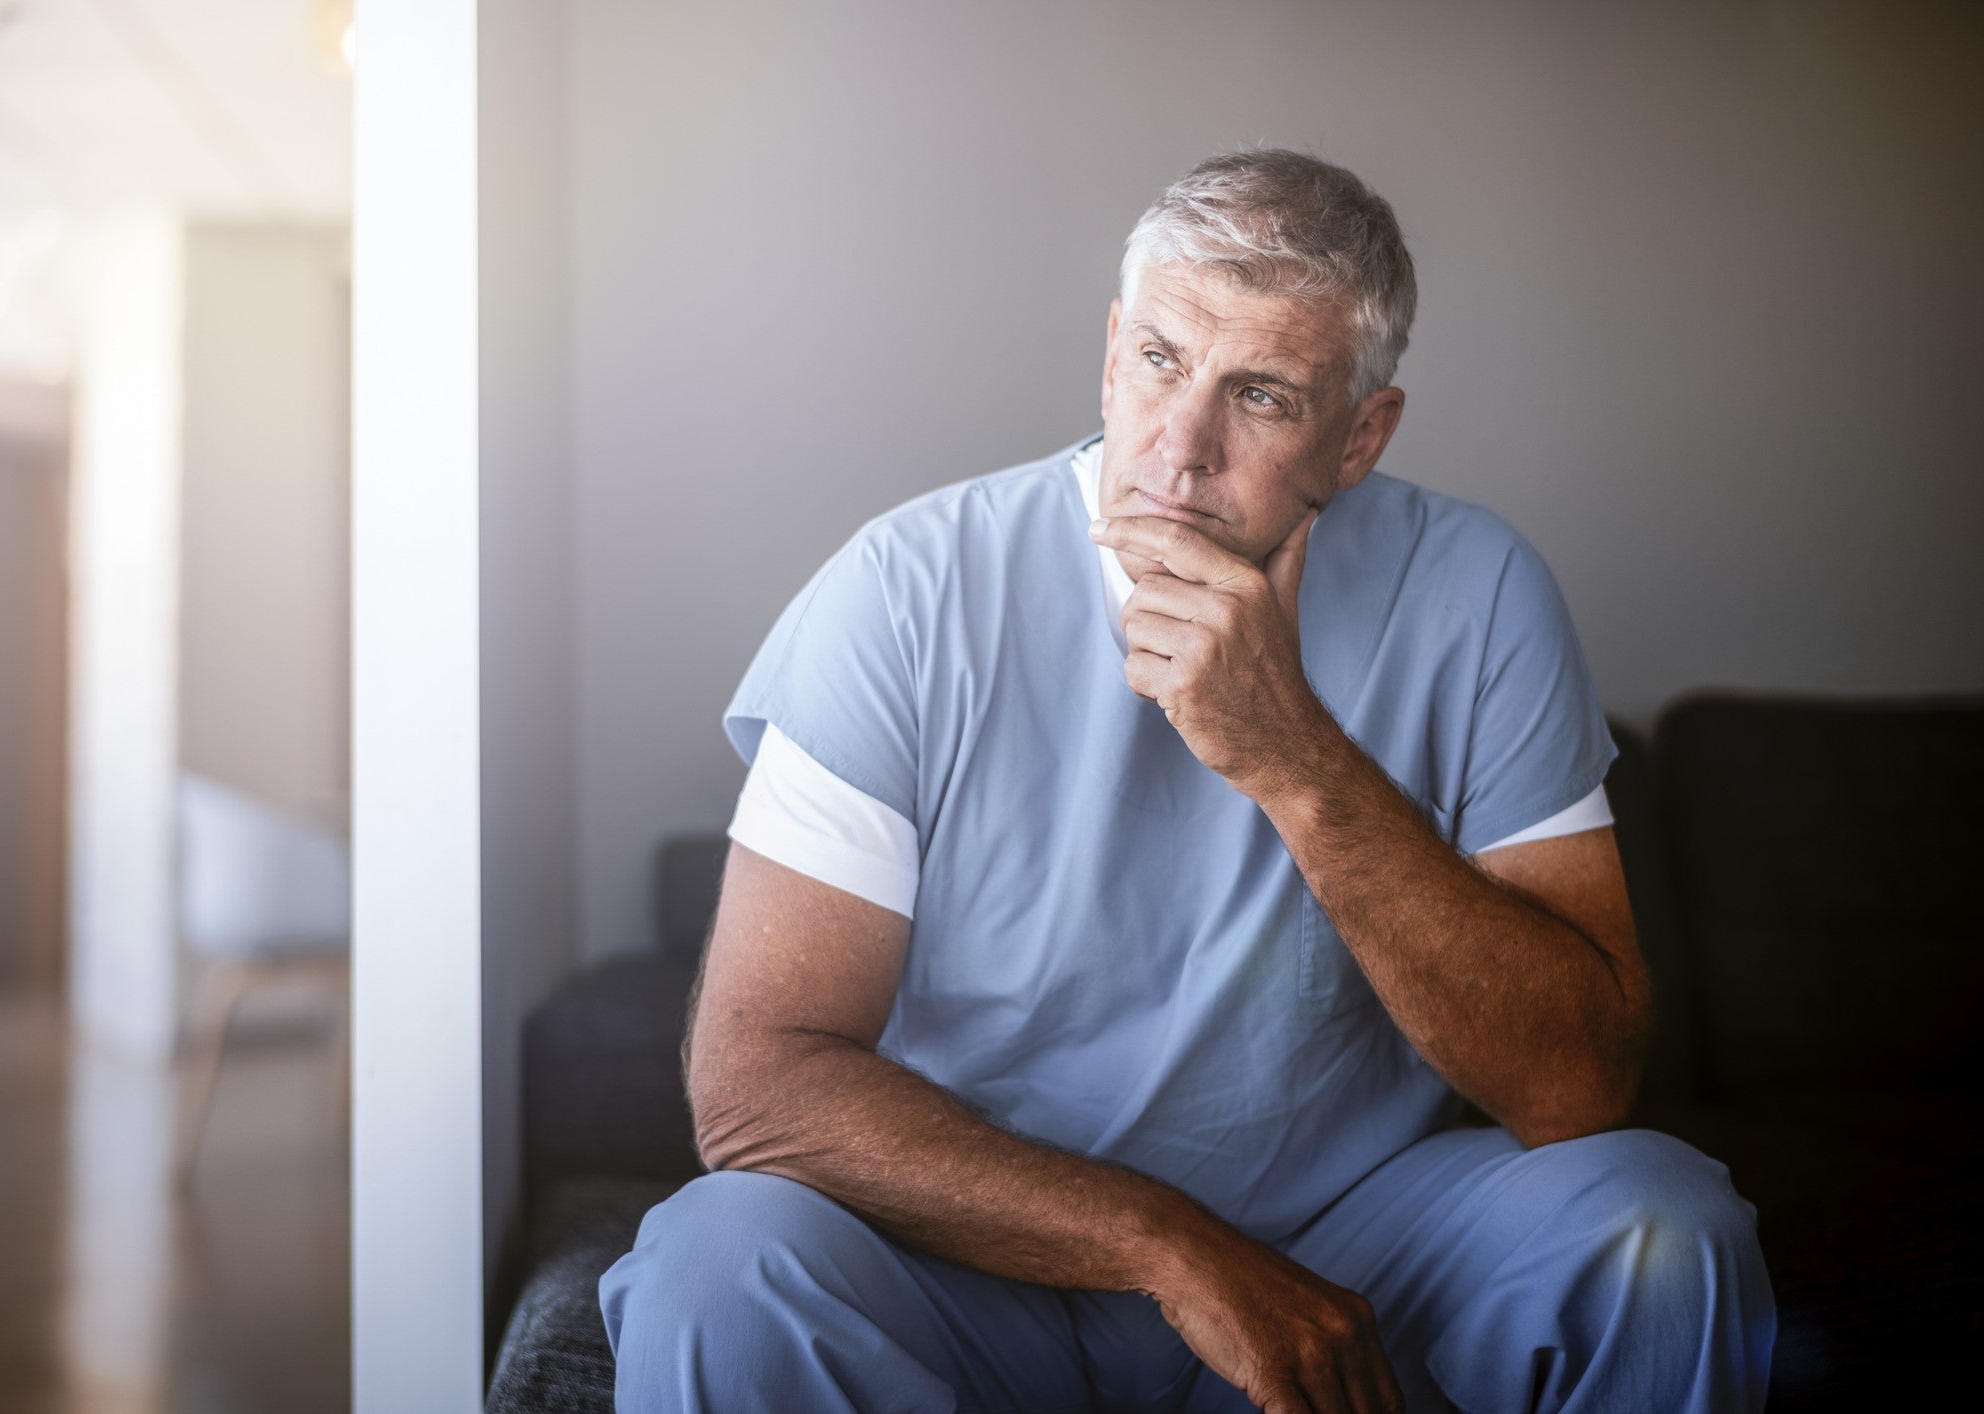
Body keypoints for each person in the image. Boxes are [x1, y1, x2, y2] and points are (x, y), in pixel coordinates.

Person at [599, 149, 1774, 1413]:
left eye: (1262, 394)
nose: (1180, 446)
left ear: (1361, 435)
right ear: (1111, 351)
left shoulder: (1478, 594)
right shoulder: (902, 595)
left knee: (1658, 1227)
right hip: (974, 1265)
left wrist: (1297, 759)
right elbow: (755, 1086)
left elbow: (1578, 1084)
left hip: (1351, 1253)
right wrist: (1174, 1252)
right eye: (1160, 360)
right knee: (715, 1262)